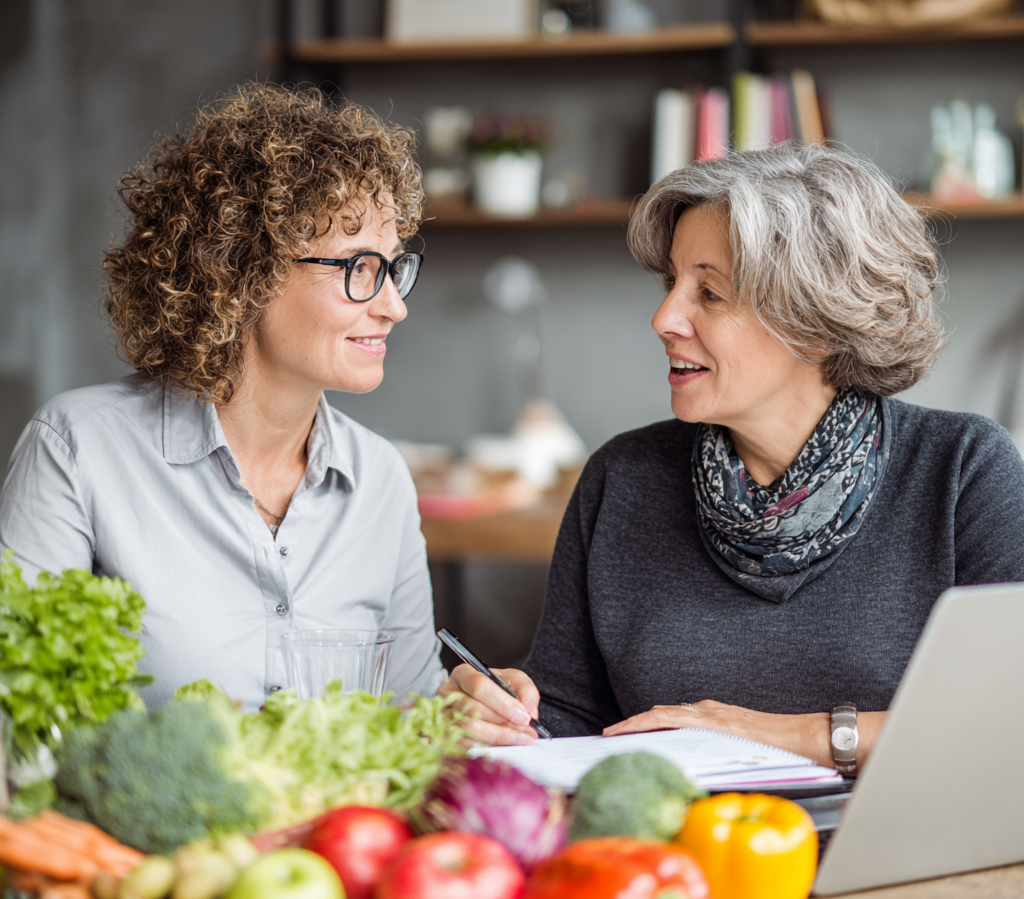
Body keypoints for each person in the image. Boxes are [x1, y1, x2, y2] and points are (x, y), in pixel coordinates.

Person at [440, 143, 1024, 769]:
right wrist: (500, 718)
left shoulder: (962, 469)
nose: (665, 317)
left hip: (902, 859)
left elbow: (1005, 710)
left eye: (709, 294)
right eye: (672, 283)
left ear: (816, 321)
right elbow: (570, 723)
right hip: (672, 858)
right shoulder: (622, 479)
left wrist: (778, 736)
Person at [0, 83, 443, 710]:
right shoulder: (76, 450)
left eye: (393, 267)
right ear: (241, 273)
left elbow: (410, 715)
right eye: (358, 268)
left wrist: (462, 708)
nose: (394, 306)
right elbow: (15, 712)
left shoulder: (381, 480)